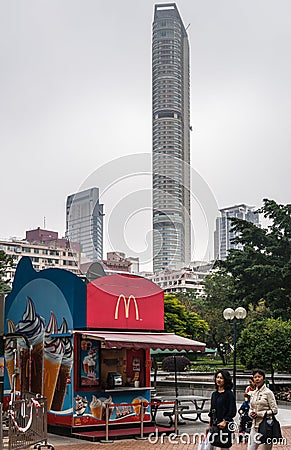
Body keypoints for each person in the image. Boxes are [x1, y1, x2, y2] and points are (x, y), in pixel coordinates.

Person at [247, 369, 278, 450]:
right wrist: (251, 413)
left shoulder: (268, 393)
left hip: (266, 427)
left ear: (263, 378)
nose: (257, 379)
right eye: (255, 377)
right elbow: (250, 408)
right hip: (254, 426)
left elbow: (274, 410)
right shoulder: (253, 393)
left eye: (259, 377)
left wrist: (259, 414)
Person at [208, 369, 237, 449]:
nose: (219, 380)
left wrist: (225, 421)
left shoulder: (229, 394)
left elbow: (232, 410)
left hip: (225, 425)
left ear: (225, 380)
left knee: (224, 447)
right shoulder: (214, 394)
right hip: (215, 425)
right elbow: (212, 411)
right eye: (217, 377)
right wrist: (209, 425)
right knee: (210, 445)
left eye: (221, 378)